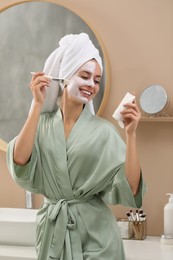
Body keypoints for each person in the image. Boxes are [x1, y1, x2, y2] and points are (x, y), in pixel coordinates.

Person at [6, 33, 146, 260]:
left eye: (97, 80)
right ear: (66, 77)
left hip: (98, 239)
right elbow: (20, 162)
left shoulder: (103, 131)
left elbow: (130, 188)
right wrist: (36, 106)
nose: (92, 85)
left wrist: (131, 135)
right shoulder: (41, 125)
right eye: (85, 76)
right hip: (53, 233)